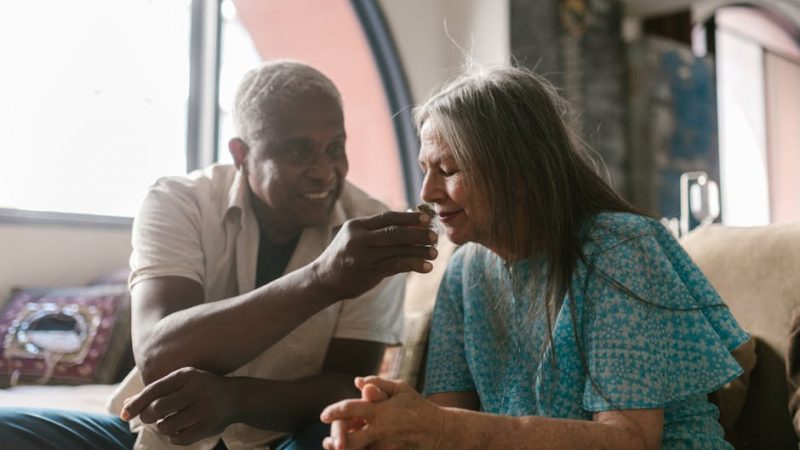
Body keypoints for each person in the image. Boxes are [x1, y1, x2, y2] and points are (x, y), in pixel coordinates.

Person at [0, 60, 438, 450]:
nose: (325, 171)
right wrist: (322, 278)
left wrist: (236, 400)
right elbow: (159, 354)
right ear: (241, 154)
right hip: (160, 437)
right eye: (298, 150)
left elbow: (348, 386)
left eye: (334, 148)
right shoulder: (178, 201)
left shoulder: (370, 228)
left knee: (344, 436)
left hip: (288, 437)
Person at [319, 65, 749, 450]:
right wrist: (393, 426)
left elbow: (630, 440)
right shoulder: (464, 269)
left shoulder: (616, 248)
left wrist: (440, 429)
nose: (426, 193)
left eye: (448, 170)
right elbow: (444, 419)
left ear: (520, 176)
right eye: (425, 170)